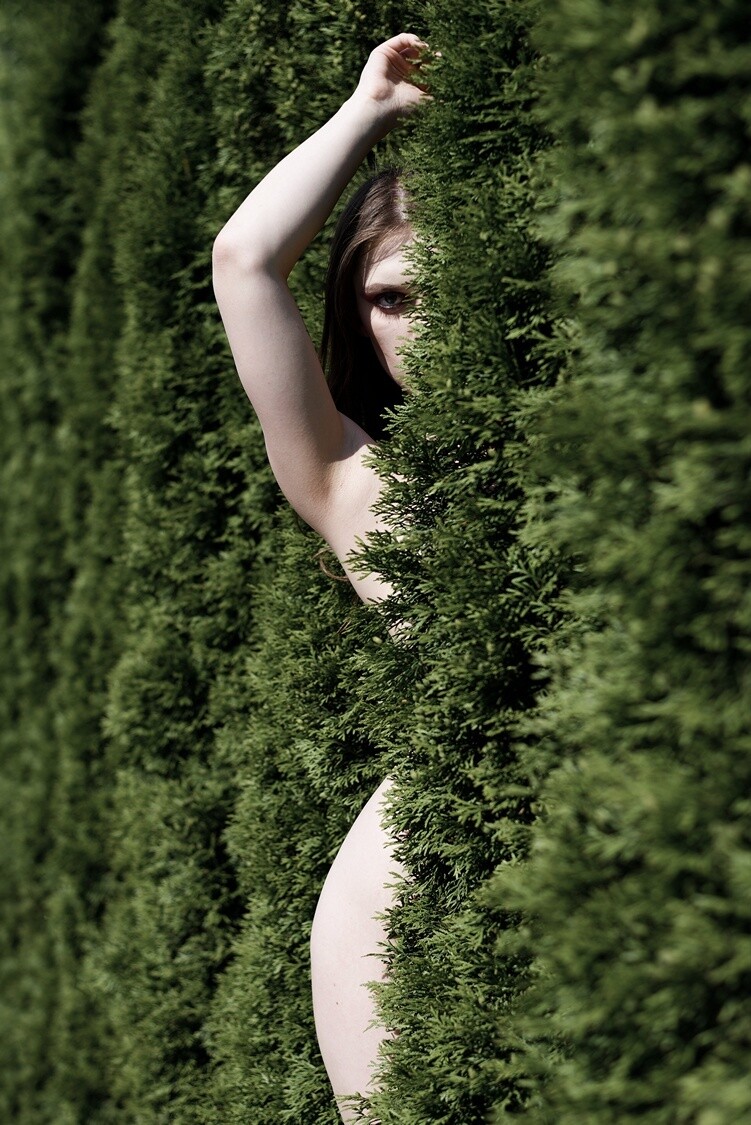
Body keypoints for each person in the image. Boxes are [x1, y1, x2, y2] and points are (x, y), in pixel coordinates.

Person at [212, 32, 432, 1123]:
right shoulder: (353, 481)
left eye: (450, 288)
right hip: (416, 876)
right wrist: (367, 112)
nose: (426, 325)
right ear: (356, 315)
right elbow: (245, 261)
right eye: (394, 298)